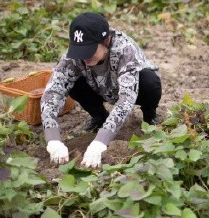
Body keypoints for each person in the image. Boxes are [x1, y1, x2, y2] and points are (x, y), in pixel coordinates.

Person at [41, 12, 161, 168]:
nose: (84, 56)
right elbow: (53, 91)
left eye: (89, 49)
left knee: (149, 81)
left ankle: (150, 116)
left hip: (131, 89)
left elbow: (126, 100)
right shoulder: (75, 56)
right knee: (72, 81)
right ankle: (99, 116)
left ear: (107, 40)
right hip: (98, 87)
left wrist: (100, 142)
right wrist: (53, 139)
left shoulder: (125, 50)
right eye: (79, 50)